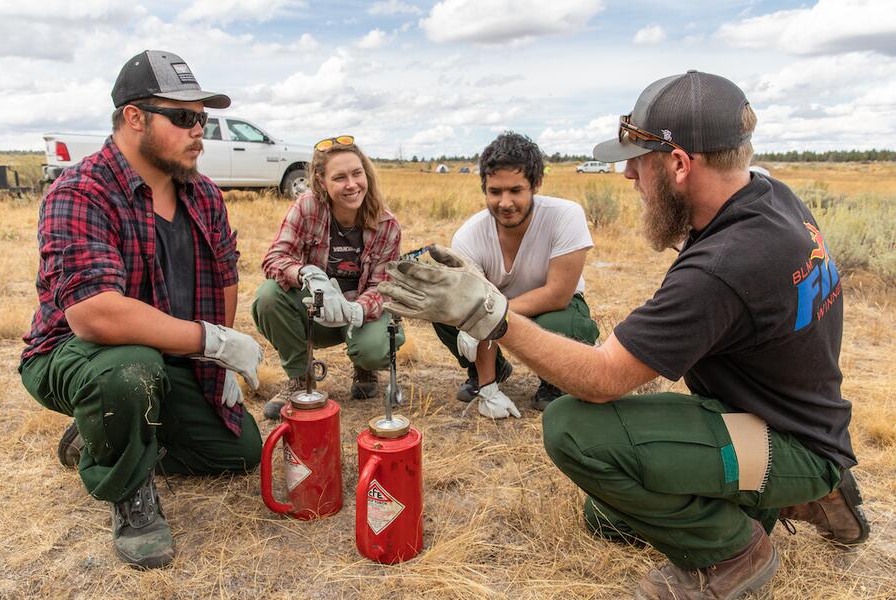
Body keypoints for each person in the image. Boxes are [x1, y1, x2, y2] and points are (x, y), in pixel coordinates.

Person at [380, 71, 870, 599]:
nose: (628, 175)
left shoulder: (726, 264)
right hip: (778, 417)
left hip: (783, 438)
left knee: (571, 428)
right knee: (605, 517)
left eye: (639, 160)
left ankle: (735, 550)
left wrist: (487, 312)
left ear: (679, 164)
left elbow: (602, 379)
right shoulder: (770, 198)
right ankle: (797, 497)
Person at [18, 50, 264, 569]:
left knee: (240, 453)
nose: (200, 130)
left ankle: (114, 431)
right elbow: (96, 315)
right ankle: (131, 495)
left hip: (169, 355)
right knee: (130, 370)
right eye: (184, 117)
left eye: (202, 118)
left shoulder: (203, 196)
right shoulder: (82, 191)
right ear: (135, 117)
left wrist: (220, 349)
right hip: (78, 355)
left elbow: (224, 276)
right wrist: (211, 342)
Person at [432, 132, 599, 419]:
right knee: (447, 309)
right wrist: (488, 388)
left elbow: (557, 294)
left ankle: (554, 381)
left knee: (561, 322)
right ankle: (491, 371)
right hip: (493, 309)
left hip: (550, 308)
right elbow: (475, 303)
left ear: (535, 186)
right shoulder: (469, 237)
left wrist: (488, 315)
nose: (505, 203)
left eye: (516, 190)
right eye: (495, 192)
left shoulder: (565, 216)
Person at [252, 136, 404, 420]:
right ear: (321, 181)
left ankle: (364, 365)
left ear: (366, 173)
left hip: (359, 314)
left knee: (374, 348)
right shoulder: (306, 207)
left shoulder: (387, 224)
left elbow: (385, 287)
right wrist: (306, 274)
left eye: (357, 174)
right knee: (268, 296)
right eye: (340, 177)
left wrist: (356, 310)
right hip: (316, 313)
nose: (351, 184)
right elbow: (274, 258)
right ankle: (300, 378)